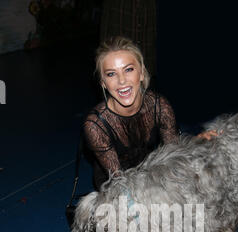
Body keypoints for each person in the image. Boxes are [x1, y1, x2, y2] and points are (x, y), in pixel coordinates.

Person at [83, 36, 218, 190]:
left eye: (128, 69)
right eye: (111, 74)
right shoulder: (95, 125)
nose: (121, 81)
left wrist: (194, 143)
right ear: (103, 83)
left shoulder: (159, 106)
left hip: (150, 169)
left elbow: (172, 151)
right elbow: (119, 181)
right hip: (115, 183)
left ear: (141, 73)